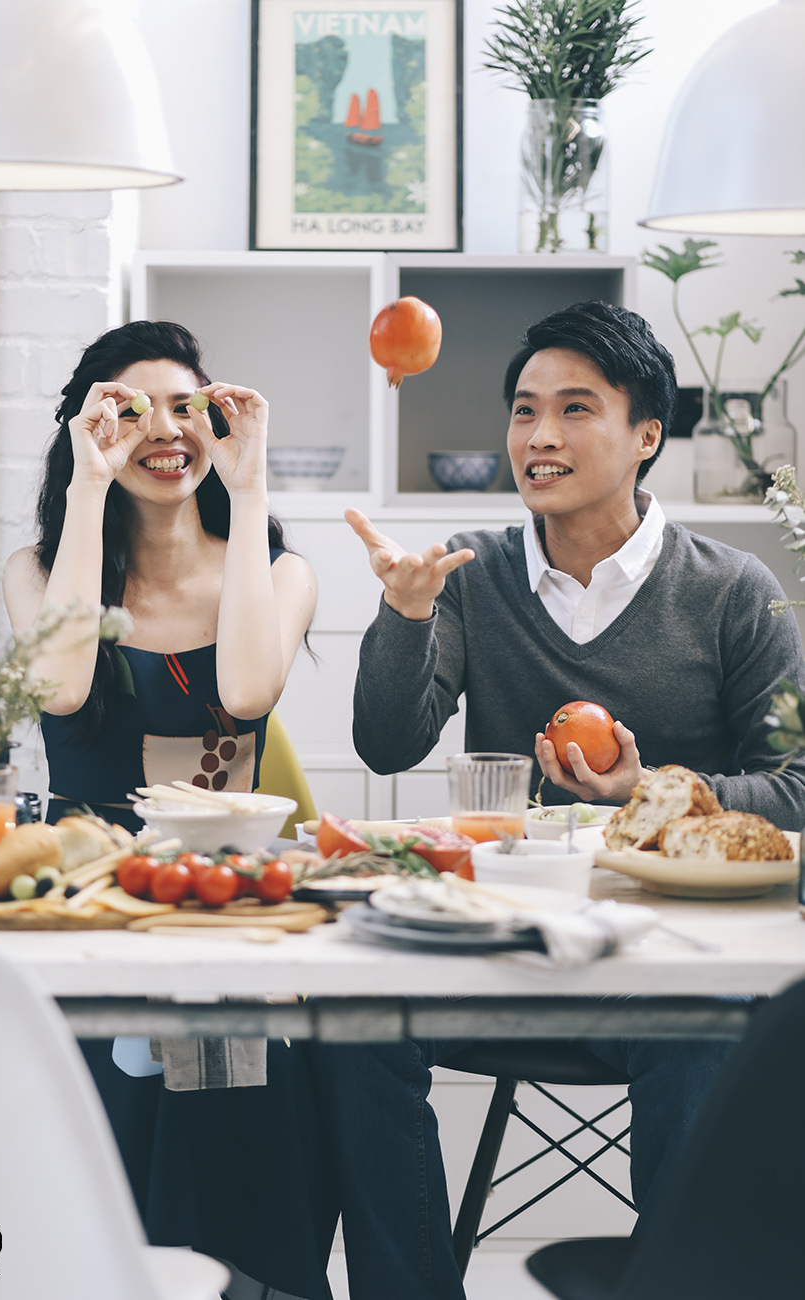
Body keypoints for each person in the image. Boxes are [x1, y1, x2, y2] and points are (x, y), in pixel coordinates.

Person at [309, 300, 805, 1300]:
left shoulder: (734, 590)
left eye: (576, 408)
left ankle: (678, 1286)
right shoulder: (468, 573)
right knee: (352, 1022)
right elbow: (387, 741)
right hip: (495, 951)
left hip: (667, 967)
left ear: (647, 434)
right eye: (524, 410)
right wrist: (405, 614)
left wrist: (658, 795)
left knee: (708, 1030)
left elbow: (795, 790)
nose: (539, 437)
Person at [3, 321, 337, 1300]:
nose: (163, 428)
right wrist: (89, 486)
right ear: (89, 423)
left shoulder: (281, 572)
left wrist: (252, 485)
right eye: (130, 406)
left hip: (231, 924)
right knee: (93, 1220)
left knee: (234, 1212)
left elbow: (243, 685)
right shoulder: (39, 572)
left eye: (184, 405)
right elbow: (62, 689)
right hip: (85, 921)